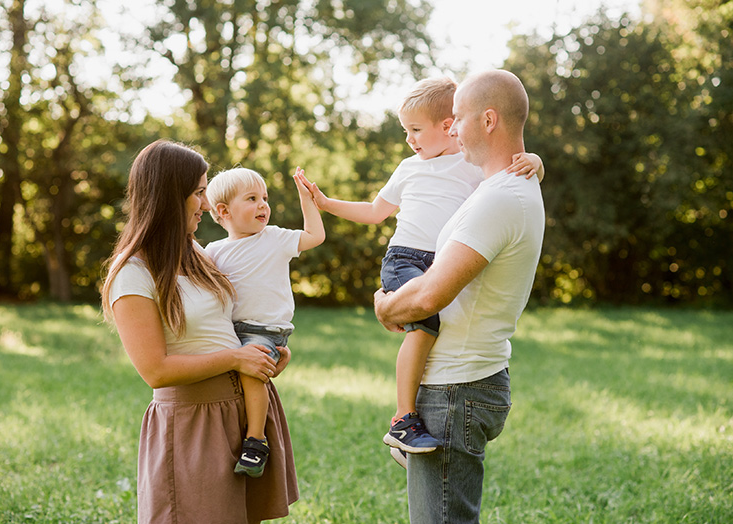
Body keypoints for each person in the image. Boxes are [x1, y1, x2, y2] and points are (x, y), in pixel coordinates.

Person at [300, 77, 543, 464]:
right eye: (405, 131)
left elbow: (504, 175)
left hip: (441, 259)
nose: (410, 140)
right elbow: (376, 212)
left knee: (432, 319)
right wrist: (327, 203)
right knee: (424, 323)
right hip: (404, 258)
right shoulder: (408, 169)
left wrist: (537, 162)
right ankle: (403, 418)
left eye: (415, 130)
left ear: (449, 126)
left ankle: (407, 424)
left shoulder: (468, 166)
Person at [373, 69, 546, 523]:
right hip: (464, 381)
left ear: (488, 120)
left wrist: (384, 305)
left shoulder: (501, 198)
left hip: (456, 389)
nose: (452, 128)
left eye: (459, 118)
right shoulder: (503, 186)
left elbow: (428, 295)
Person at [101, 139, 299, 523]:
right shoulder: (131, 274)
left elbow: (226, 324)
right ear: (168, 197)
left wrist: (266, 357)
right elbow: (155, 370)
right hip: (193, 421)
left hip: (239, 411)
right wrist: (237, 357)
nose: (207, 204)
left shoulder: (200, 255)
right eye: (198, 192)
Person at [204, 166, 325, 477]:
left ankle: (256, 440)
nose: (263, 205)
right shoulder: (213, 251)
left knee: (252, 373)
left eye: (265, 198)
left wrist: (307, 200)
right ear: (223, 211)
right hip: (231, 330)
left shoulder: (274, 238)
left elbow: (315, 236)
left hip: (265, 331)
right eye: (252, 198)